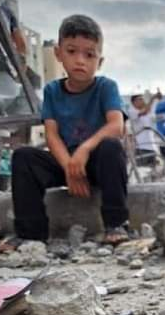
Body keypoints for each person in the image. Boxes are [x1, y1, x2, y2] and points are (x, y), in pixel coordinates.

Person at [9, 14, 129, 246]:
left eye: (89, 55)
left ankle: (116, 223)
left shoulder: (106, 87)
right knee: (23, 157)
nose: (80, 61)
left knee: (111, 147)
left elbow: (116, 126)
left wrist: (84, 150)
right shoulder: (52, 90)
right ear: (58, 53)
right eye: (72, 51)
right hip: (65, 163)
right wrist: (69, 168)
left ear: (99, 61)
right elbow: (52, 134)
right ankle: (30, 233)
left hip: (97, 164)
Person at [128, 92, 160, 166]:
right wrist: (152, 99)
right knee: (143, 170)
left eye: (142, 99)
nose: (142, 101)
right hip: (141, 148)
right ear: (133, 102)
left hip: (152, 147)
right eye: (140, 99)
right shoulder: (131, 111)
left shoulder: (146, 112)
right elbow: (144, 111)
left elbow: (154, 117)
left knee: (154, 171)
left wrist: (157, 100)